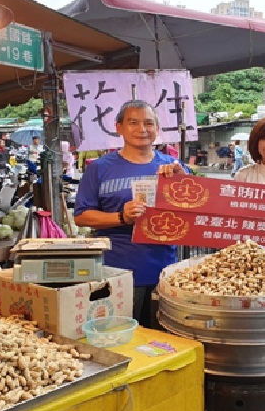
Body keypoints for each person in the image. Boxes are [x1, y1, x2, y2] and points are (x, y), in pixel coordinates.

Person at [74, 100, 188, 327]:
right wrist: (121, 217)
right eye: (133, 123)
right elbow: (82, 215)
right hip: (116, 272)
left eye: (149, 123)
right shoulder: (99, 167)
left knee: (162, 342)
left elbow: (194, 213)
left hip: (164, 273)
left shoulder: (172, 166)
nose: (142, 129)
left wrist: (183, 179)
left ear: (157, 128)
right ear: (119, 128)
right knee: (120, 337)